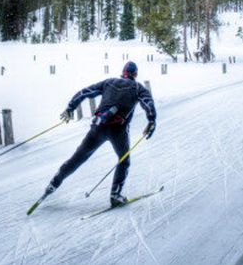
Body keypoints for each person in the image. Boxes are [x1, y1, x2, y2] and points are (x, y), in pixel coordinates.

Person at [40, 61, 157, 207]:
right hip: (118, 131)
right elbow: (148, 104)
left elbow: (85, 92)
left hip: (98, 127)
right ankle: (115, 195)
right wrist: (151, 121)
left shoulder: (109, 82)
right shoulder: (138, 88)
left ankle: (53, 184)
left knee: (77, 158)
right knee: (124, 160)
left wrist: (71, 108)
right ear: (135, 75)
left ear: (123, 73)